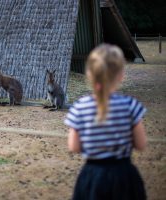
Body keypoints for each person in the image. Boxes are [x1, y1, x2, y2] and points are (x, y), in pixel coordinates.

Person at [64, 44, 147, 200]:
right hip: (124, 176)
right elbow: (141, 144)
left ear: (89, 75)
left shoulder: (79, 108)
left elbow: (73, 147)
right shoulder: (130, 106)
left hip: (92, 177)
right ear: (121, 75)